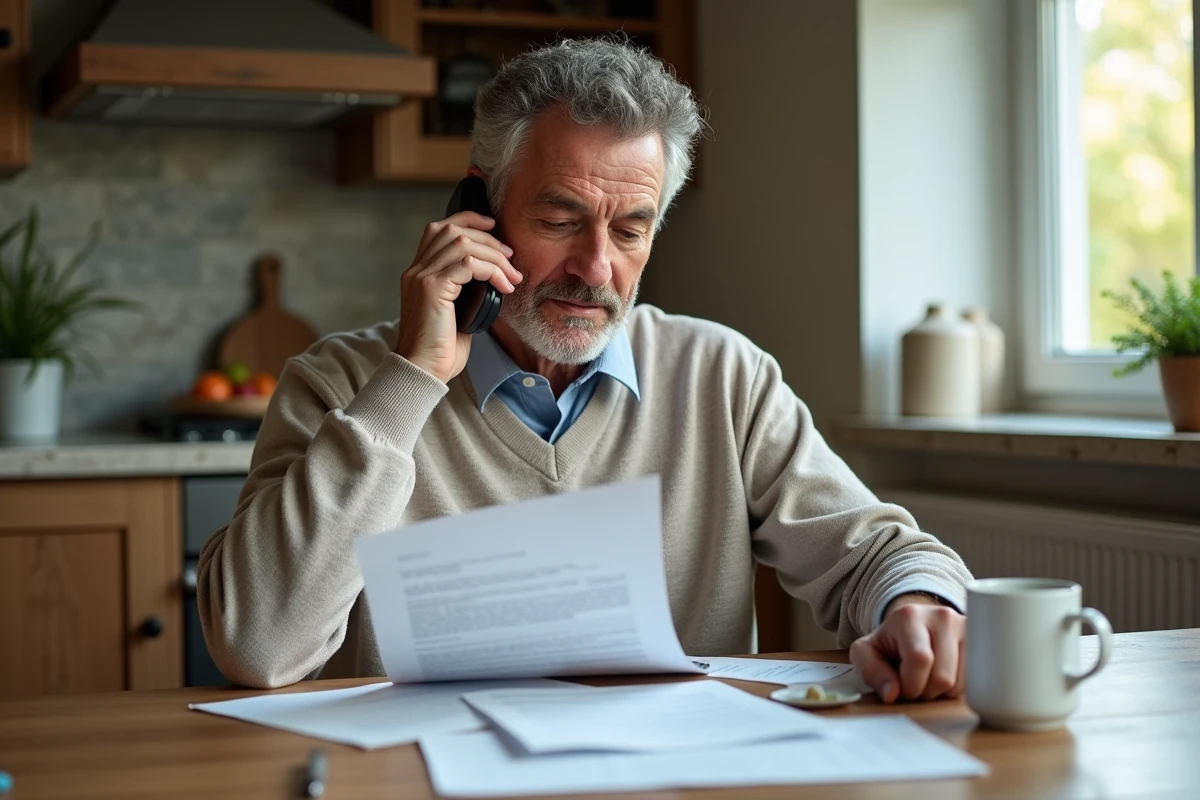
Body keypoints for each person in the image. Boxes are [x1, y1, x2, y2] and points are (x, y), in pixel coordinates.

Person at [197, 37, 972, 702]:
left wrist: (918, 599)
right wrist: (413, 379)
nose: (596, 267)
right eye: (561, 219)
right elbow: (257, 648)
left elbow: (875, 552)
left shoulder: (722, 376)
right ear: (480, 204)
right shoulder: (339, 383)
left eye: (630, 229)